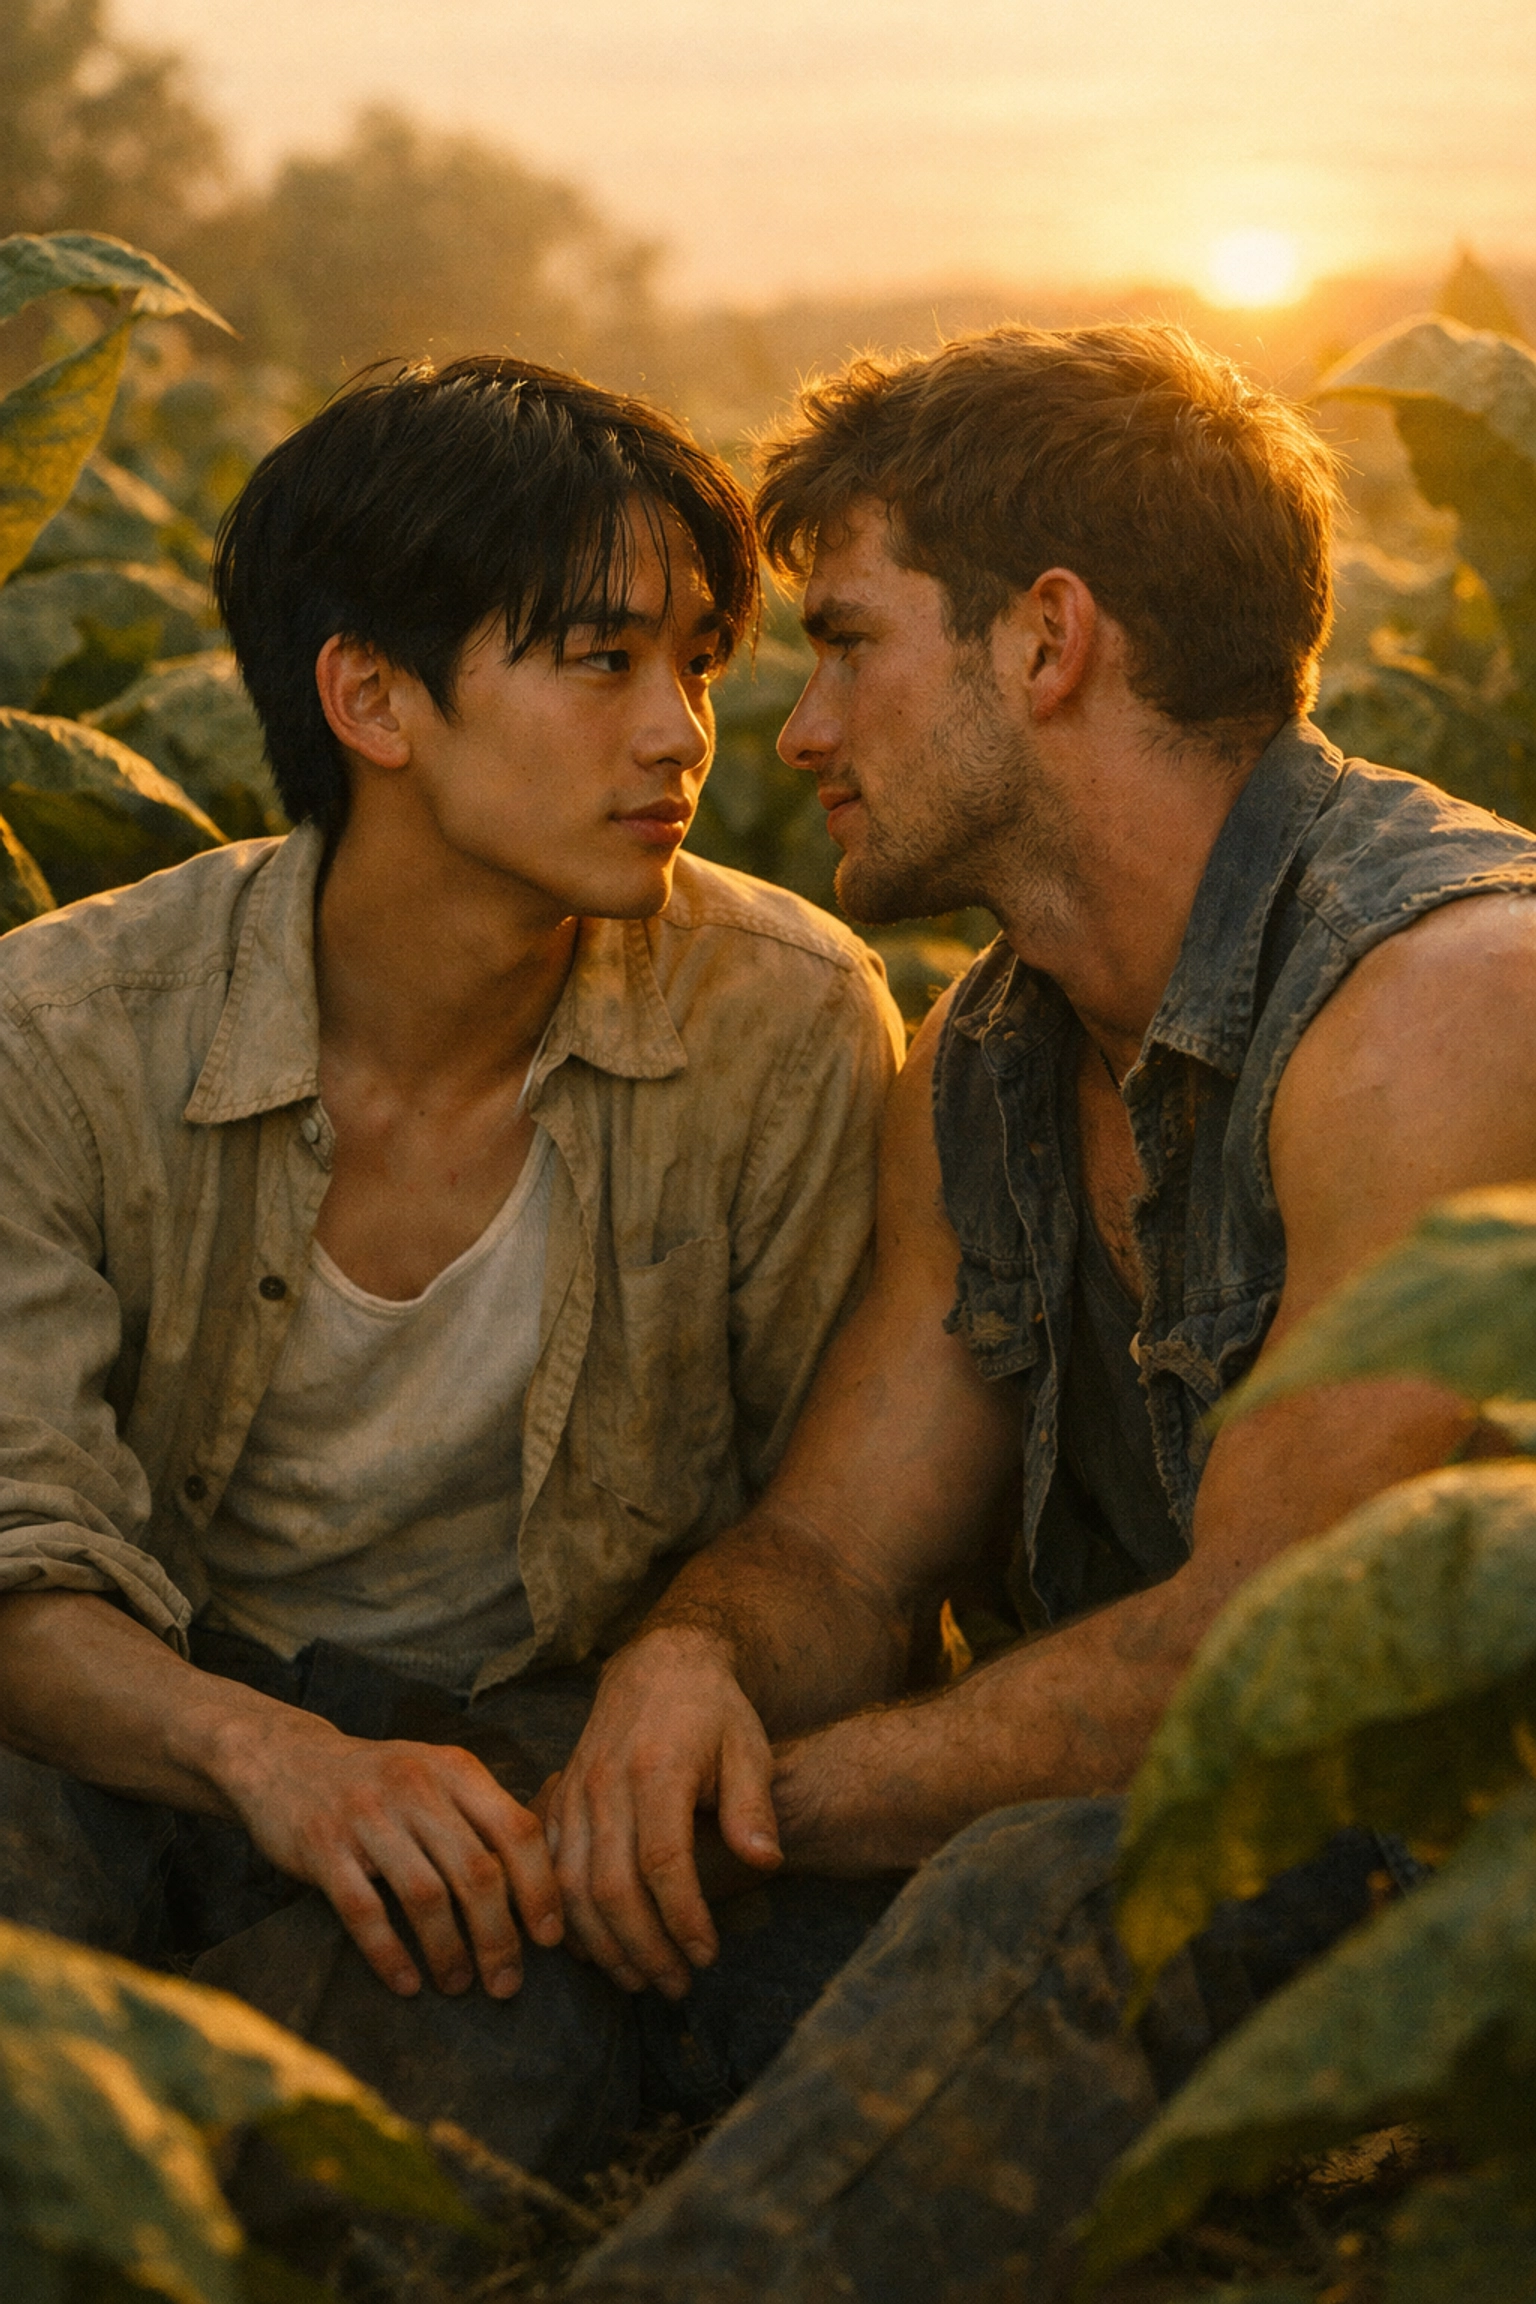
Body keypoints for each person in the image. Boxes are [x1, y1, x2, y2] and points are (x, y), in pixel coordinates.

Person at [542, 323, 1536, 2298]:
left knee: (1040, 1878)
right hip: (1160, 1849)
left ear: (1047, 640)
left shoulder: (1449, 991)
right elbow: (837, 1547)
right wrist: (683, 1680)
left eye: (844, 642)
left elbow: (1270, 1684)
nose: (795, 730)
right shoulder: (984, 1052)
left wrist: (785, 1801)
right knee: (561, 1889)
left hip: (1454, 1871)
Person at [0, 356, 903, 2183]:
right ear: (371, 697)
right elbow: (18, 1560)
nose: (680, 735)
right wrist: (271, 1760)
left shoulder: (788, 1022)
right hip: (148, 1711)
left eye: (698, 665)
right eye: (599, 658)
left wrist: (667, 1710)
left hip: (534, 1758)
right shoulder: (62, 1032)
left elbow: (839, 1536)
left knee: (457, 2047)